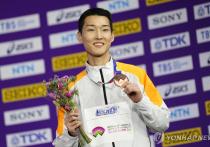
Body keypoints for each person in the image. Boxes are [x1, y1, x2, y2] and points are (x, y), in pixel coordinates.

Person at [53, 8, 170, 147]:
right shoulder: (70, 89)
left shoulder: (137, 75)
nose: (99, 36)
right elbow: (61, 144)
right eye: (91, 29)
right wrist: (71, 134)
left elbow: (163, 124)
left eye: (104, 29)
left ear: (112, 36)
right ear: (80, 36)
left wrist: (140, 100)